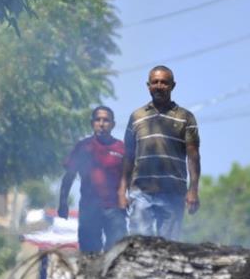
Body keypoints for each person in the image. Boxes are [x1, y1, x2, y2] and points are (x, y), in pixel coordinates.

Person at [117, 66, 201, 240]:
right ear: (148, 86)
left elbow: (193, 156)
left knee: (169, 248)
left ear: (172, 86)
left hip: (173, 193)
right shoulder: (136, 116)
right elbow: (128, 156)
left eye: (164, 82)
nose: (159, 86)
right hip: (141, 192)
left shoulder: (186, 117)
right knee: (138, 244)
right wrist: (121, 190)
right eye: (155, 82)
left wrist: (193, 190)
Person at [58, 106, 127, 253]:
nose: (101, 124)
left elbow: (128, 176)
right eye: (98, 120)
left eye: (106, 120)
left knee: (118, 253)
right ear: (92, 123)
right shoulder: (83, 146)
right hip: (89, 209)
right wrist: (63, 202)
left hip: (115, 210)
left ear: (113, 125)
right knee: (89, 256)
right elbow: (69, 175)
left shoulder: (121, 148)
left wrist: (127, 197)